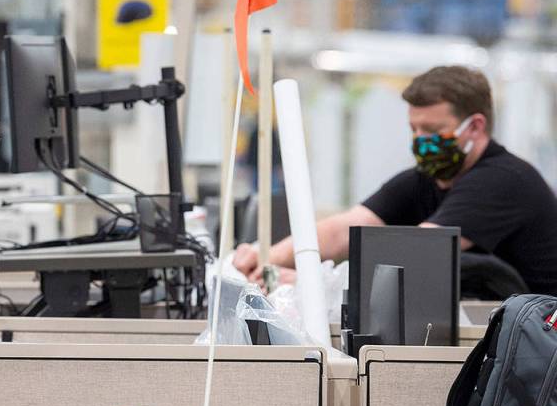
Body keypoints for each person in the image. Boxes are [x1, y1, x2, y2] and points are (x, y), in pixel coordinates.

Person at [234, 66, 557, 295]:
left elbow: (416, 253)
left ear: (475, 126)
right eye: (414, 129)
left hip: (543, 347)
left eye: (432, 130)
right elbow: (344, 230)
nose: (419, 140)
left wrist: (313, 284)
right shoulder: (425, 180)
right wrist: (263, 256)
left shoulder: (503, 181)